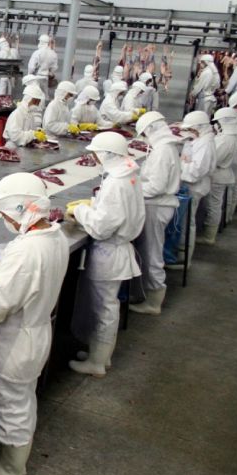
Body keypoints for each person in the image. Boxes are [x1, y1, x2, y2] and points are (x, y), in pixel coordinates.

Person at [0, 172, 69, 475]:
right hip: (36, 333)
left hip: (15, 343)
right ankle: (11, 460)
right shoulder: (53, 236)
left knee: (11, 404)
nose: (4, 219)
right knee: (22, 399)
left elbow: (1, 303)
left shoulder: (28, 250)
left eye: (7, 213)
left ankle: (12, 470)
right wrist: (2, 269)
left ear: (23, 210)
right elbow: (31, 277)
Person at [67, 132, 144, 377]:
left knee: (103, 309)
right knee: (105, 306)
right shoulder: (127, 174)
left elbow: (101, 227)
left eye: (97, 154)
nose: (95, 158)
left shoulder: (117, 182)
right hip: (117, 248)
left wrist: (80, 212)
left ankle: (97, 362)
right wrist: (94, 206)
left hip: (109, 252)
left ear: (107, 154)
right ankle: (100, 354)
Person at [129, 112, 182, 315]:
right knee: (149, 250)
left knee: (152, 253)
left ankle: (154, 302)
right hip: (157, 204)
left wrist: (131, 188)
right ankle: (147, 293)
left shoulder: (162, 151)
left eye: (144, 134)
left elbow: (156, 187)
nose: (144, 138)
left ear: (151, 130)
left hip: (157, 205)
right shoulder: (165, 148)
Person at [167, 111, 216, 269]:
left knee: (188, 223)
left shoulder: (205, 144)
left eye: (191, 130)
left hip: (194, 187)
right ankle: (178, 253)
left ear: (200, 128)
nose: (189, 133)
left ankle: (184, 259)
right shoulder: (199, 139)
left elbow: (195, 172)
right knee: (184, 221)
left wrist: (179, 163)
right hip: (189, 185)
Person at [198, 107, 237, 245]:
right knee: (214, 205)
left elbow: (213, 159)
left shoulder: (226, 139)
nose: (216, 125)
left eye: (218, 122)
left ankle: (209, 237)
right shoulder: (229, 136)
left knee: (213, 206)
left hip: (218, 175)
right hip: (222, 174)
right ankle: (209, 234)